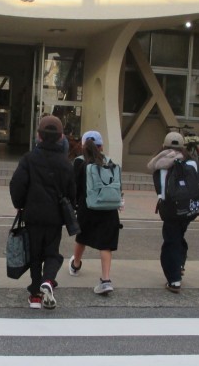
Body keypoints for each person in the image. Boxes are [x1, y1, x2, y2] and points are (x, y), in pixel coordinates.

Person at [9, 115, 76, 310]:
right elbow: (72, 192)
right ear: (61, 137)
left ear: (39, 135)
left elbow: (17, 184)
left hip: (33, 214)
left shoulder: (29, 159)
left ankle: (35, 295)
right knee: (52, 253)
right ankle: (48, 280)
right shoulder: (66, 163)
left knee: (35, 254)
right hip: (55, 216)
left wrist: (20, 204)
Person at [147, 131, 199, 293]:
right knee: (179, 236)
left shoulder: (159, 164)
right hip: (190, 209)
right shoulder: (192, 163)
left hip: (170, 210)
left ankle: (174, 279)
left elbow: (161, 191)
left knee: (171, 241)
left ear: (163, 145)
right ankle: (180, 264)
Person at [66, 130, 121, 295]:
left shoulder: (79, 163)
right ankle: (106, 280)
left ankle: (75, 265)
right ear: (101, 146)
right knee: (106, 245)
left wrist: (73, 205)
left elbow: (73, 187)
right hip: (109, 209)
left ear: (83, 146)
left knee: (81, 238)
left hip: (87, 208)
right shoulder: (109, 162)